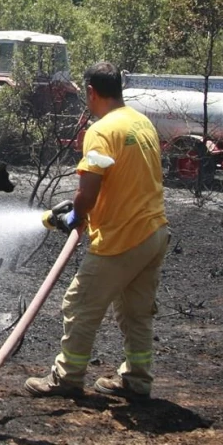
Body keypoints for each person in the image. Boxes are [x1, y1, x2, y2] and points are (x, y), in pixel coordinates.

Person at [24, 61, 171, 401]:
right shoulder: (140, 121)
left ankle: (67, 378)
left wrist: (74, 214)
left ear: (91, 91)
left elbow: (88, 192)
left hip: (123, 238)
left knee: (79, 304)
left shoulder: (102, 130)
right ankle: (137, 380)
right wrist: (79, 211)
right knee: (136, 312)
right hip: (154, 232)